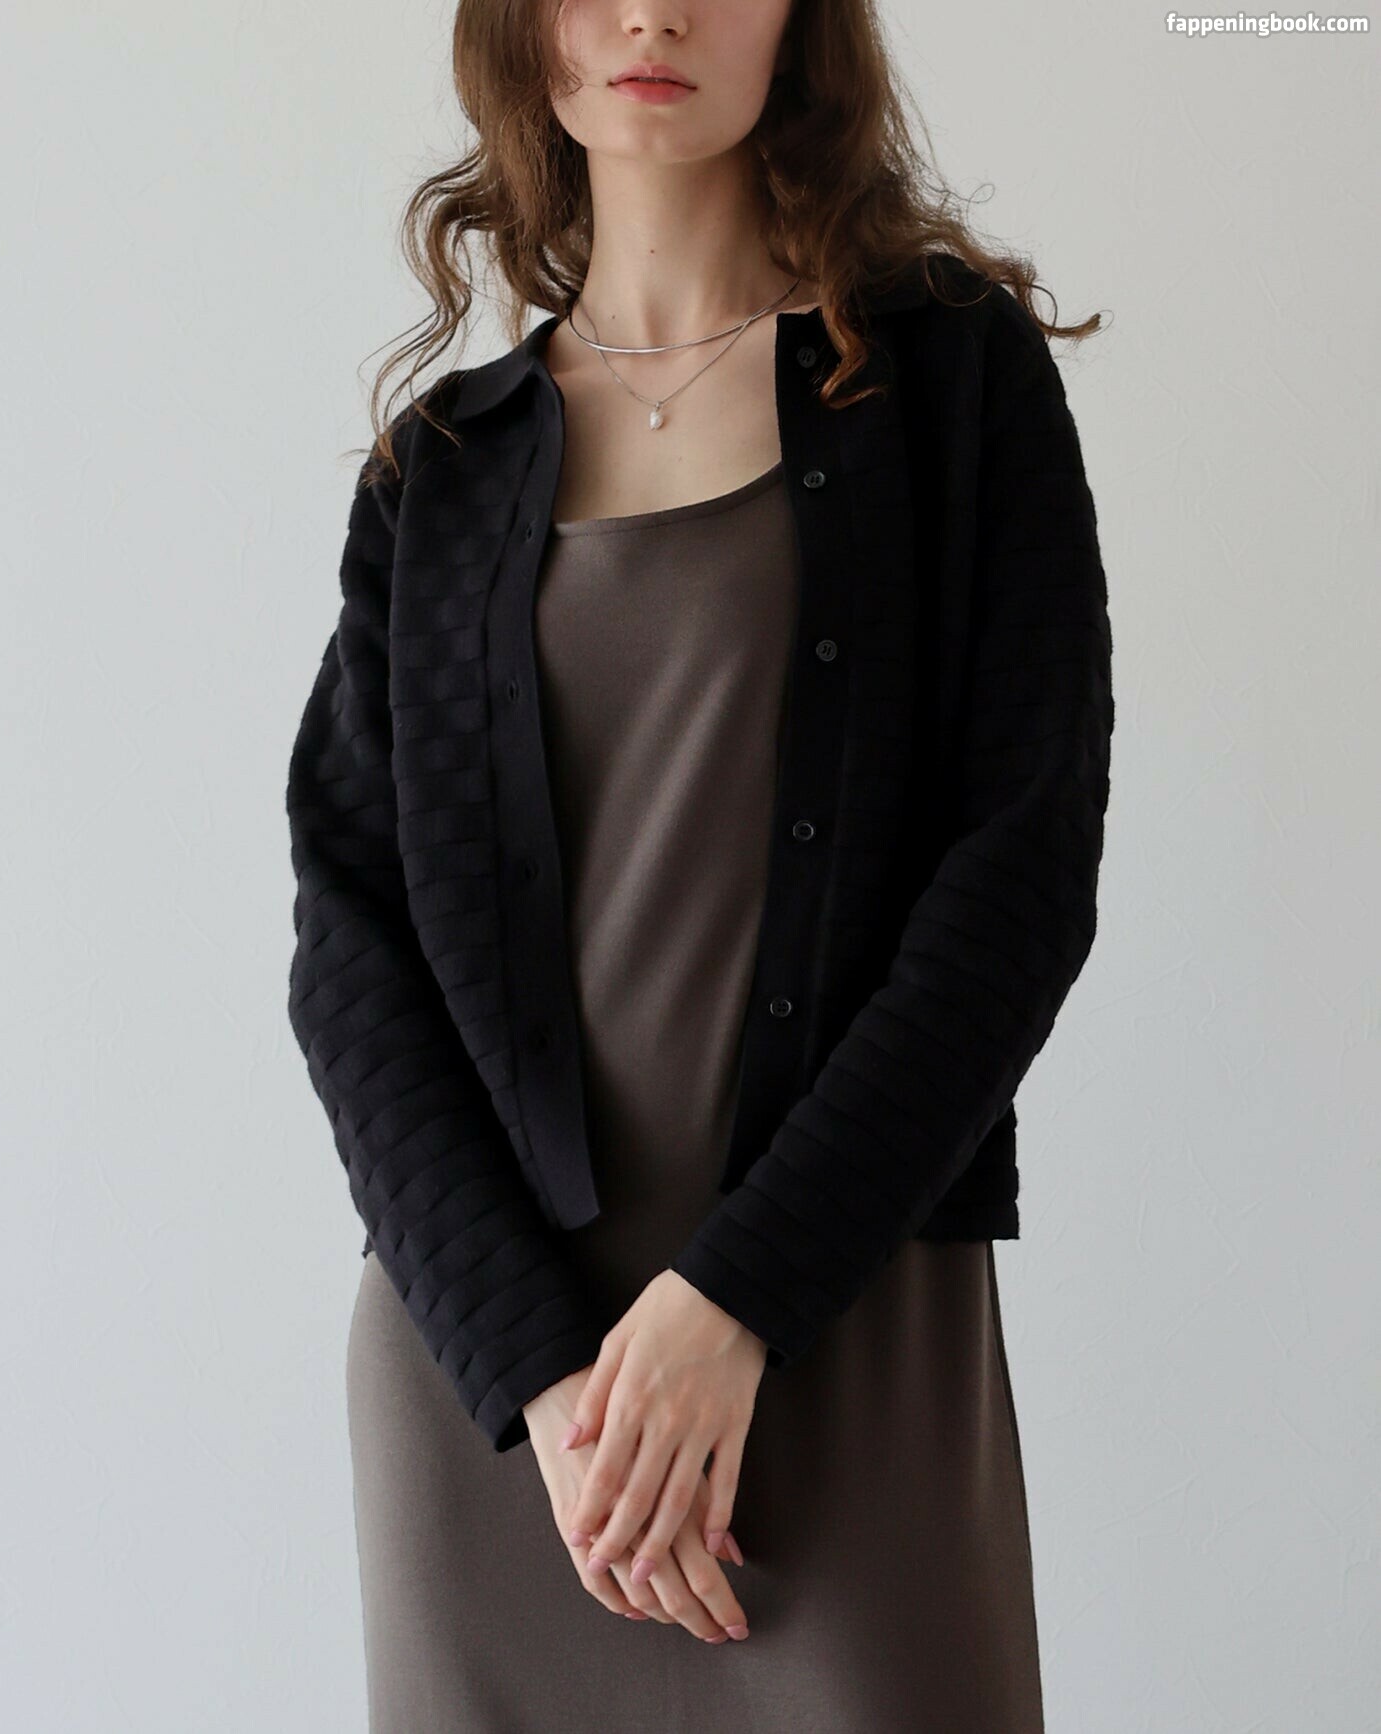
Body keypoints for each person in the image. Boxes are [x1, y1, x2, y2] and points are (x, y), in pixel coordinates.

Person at [284, 2, 1113, 1728]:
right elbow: (352, 956)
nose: (654, 11)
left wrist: (739, 1294)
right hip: (507, 1403)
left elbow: (1018, 873)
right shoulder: (439, 475)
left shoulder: (950, 380)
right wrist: (541, 1374)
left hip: (848, 1321)